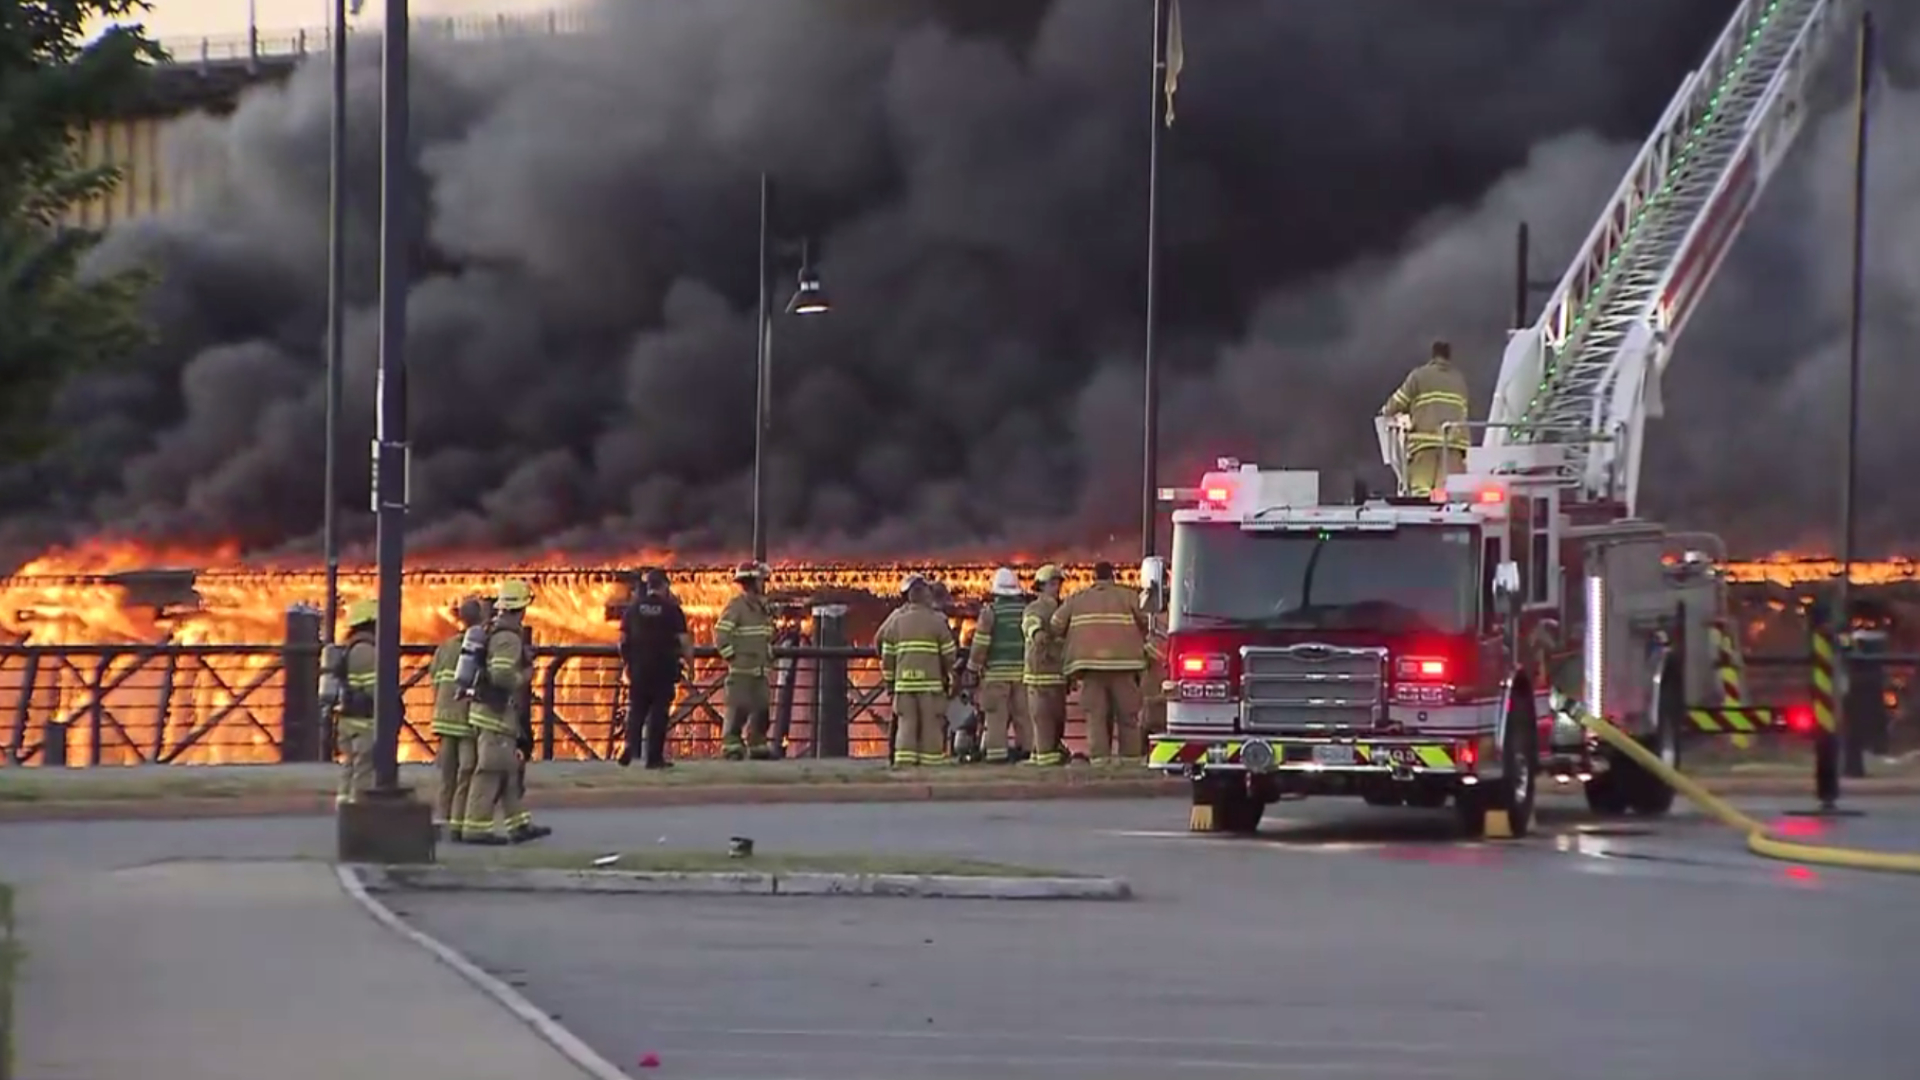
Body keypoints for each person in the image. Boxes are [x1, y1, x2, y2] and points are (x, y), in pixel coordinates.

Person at [461, 579, 551, 844]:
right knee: (490, 771)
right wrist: (526, 674)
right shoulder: (507, 637)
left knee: (508, 770)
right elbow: (501, 675)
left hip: (491, 712)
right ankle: (476, 829)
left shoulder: (496, 631)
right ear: (522, 608)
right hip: (495, 714)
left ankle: (518, 825)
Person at [1051, 561, 1150, 763]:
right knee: (1127, 715)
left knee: (1095, 716)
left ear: (1094, 578)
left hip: (1090, 668)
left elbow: (1055, 625)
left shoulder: (1077, 598)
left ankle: (1099, 760)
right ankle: (1130, 760)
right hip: (1125, 666)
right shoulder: (1129, 596)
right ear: (1112, 576)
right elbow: (1150, 622)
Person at [877, 574, 958, 767]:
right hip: (930, 685)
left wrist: (890, 683)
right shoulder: (937, 620)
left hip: (904, 686)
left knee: (906, 726)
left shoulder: (895, 621)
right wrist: (950, 674)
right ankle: (931, 765)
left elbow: (887, 656)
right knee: (931, 726)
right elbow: (949, 654)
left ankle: (904, 765)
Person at [618, 568, 690, 769]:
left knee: (636, 710)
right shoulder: (672, 610)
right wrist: (690, 665)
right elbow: (684, 641)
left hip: (639, 669)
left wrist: (627, 663)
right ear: (665, 585)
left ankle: (630, 746)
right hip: (664, 669)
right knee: (659, 713)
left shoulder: (632, 609)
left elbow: (622, 640)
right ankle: (654, 758)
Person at [428, 594, 487, 836]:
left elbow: (433, 676)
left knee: (447, 775)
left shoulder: (446, 646)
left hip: (443, 716)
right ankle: (458, 822)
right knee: (467, 770)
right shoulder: (479, 646)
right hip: (465, 717)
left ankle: (441, 820)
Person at [1381, 339, 1472, 495]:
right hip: (1454, 447)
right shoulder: (1460, 381)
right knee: (1446, 495)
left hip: (1425, 445)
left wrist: (1385, 411)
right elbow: (1463, 411)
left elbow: (1396, 404)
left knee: (1421, 492)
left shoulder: (1419, 376)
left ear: (1433, 356)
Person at [966, 567, 1030, 764]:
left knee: (996, 718)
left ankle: (996, 756)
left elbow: (981, 644)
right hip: (1023, 675)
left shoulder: (990, 612)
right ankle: (1027, 752)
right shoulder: (1026, 611)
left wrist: (973, 668)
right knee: (1024, 716)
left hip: (995, 676)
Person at [714, 562, 776, 760]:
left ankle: (757, 746)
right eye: (760, 580)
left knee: (762, 709)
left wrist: (768, 655)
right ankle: (732, 748)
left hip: (760, 669)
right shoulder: (737, 606)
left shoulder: (761, 608)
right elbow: (721, 634)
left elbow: (764, 636)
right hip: (741, 670)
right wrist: (732, 656)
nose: (763, 584)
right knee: (737, 709)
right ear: (751, 582)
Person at [1021, 564, 1068, 767]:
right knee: (1043, 718)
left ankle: (1049, 753)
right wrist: (1037, 632)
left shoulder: (1062, 608)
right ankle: (1044, 759)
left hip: (1058, 674)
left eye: (1058, 582)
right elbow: (1029, 622)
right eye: (1052, 583)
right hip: (1039, 674)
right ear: (1040, 586)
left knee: (1057, 719)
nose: (1056, 587)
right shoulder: (1035, 607)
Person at [333, 599, 379, 805]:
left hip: (348, 718)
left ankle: (345, 805)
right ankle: (359, 808)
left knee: (350, 766)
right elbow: (375, 689)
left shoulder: (350, 647)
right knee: (363, 767)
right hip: (363, 720)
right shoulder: (366, 650)